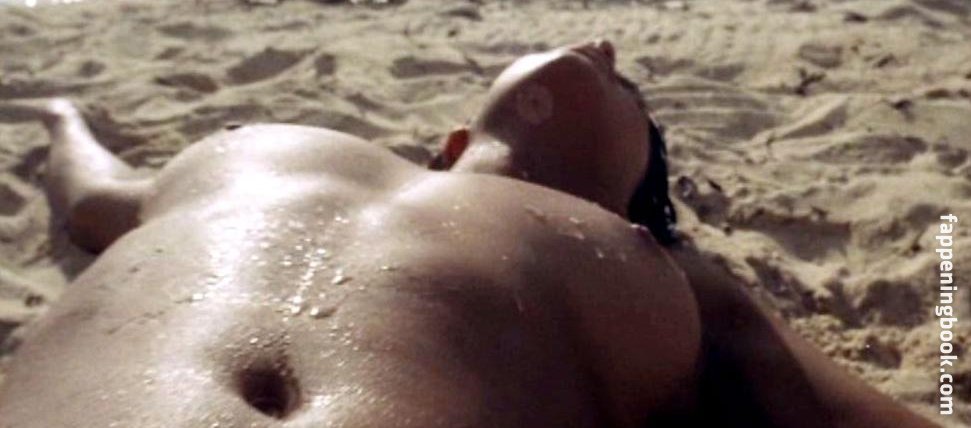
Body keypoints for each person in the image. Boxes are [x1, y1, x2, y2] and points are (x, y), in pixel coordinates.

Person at [0, 41, 937, 428]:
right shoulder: (264, 154)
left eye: (631, 96)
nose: (606, 49)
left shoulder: (651, 264)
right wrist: (61, 117)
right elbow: (97, 197)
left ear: (630, 190)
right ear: (449, 141)